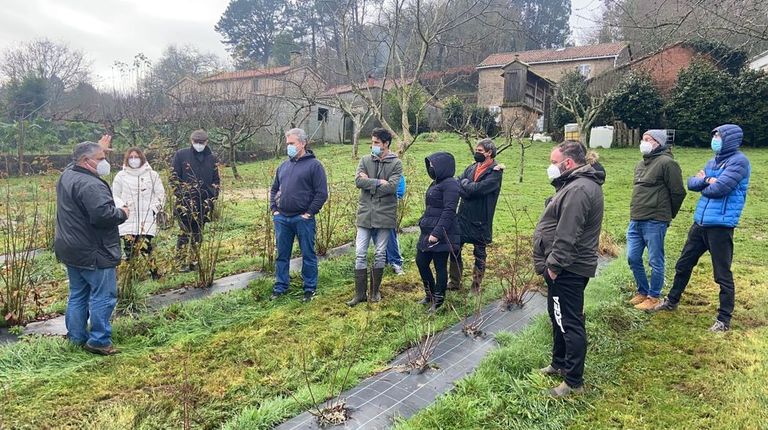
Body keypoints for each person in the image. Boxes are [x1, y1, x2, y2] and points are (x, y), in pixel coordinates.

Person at [652, 124, 751, 332]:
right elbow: (691, 183)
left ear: (730, 139)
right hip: (700, 222)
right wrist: (707, 179)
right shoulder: (713, 161)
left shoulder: (740, 162)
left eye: (718, 136)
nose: (715, 139)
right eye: (714, 135)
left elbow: (719, 189)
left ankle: (724, 319)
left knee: (721, 273)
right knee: (683, 264)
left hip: (721, 226)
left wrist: (705, 182)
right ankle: (671, 300)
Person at [533, 141, 604, 397]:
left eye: (554, 163)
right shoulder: (573, 185)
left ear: (568, 163)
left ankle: (573, 382)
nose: (551, 167)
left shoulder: (579, 190)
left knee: (569, 322)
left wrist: (553, 265)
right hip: (564, 266)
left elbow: (568, 233)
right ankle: (559, 362)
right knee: (557, 316)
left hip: (568, 268)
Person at [55, 137, 129, 355]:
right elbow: (102, 215)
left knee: (78, 293)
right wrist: (122, 213)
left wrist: (98, 148)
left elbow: (76, 160)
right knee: (103, 296)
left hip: (71, 247)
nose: (105, 162)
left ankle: (76, 337)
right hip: (94, 250)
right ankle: (99, 340)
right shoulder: (91, 184)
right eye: (101, 158)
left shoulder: (68, 175)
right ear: (87, 161)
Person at [626, 130, 686, 310]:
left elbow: (678, 192)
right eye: (643, 139)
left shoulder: (668, 163)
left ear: (658, 143)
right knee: (633, 257)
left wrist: (667, 215)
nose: (643, 142)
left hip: (655, 220)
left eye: (648, 139)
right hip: (636, 219)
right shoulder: (640, 164)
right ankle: (643, 291)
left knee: (655, 260)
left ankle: (654, 296)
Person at [270, 128, 328, 302]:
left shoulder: (314, 166)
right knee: (282, 254)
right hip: (282, 219)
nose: (288, 147)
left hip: (302, 219)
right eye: (287, 144)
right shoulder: (283, 166)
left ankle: (309, 288)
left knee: (308, 254)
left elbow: (321, 193)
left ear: (303, 143)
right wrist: (274, 209)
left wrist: (309, 213)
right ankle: (280, 286)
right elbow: (274, 189)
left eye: (292, 143)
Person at [347, 128, 403, 306]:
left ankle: (374, 292)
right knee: (360, 253)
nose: (373, 146)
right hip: (365, 214)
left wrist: (369, 183)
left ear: (386, 144)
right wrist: (378, 182)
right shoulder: (365, 160)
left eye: (376, 143)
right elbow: (358, 182)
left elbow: (392, 188)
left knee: (380, 253)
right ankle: (359, 294)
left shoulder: (396, 164)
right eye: (372, 142)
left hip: (385, 214)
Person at [448, 138, 503, 293]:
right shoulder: (472, 167)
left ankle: (476, 285)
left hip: (481, 219)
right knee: (454, 249)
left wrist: (466, 186)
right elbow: (458, 182)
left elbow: (479, 189)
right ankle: (454, 283)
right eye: (476, 150)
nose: (476, 153)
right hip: (463, 217)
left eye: (480, 151)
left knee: (479, 253)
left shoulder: (495, 172)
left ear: (489, 153)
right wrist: (468, 187)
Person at [170, 129, 220, 272]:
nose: (199, 145)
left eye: (201, 142)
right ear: (191, 141)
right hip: (184, 203)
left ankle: (194, 261)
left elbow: (216, 180)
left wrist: (212, 196)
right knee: (184, 233)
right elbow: (174, 178)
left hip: (204, 203)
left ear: (206, 142)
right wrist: (181, 196)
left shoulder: (212, 158)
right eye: (196, 142)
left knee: (198, 234)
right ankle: (180, 262)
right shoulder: (181, 155)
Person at [415, 152, 460, 313]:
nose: (430, 168)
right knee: (421, 261)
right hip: (428, 230)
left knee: (440, 265)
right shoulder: (436, 183)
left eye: (433, 165)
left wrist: (437, 233)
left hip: (442, 232)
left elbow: (449, 211)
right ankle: (430, 294)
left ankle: (439, 299)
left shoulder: (451, 185)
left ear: (443, 166)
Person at [112, 147, 166, 279]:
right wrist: (122, 207)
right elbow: (114, 194)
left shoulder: (152, 175)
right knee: (129, 249)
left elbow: (160, 194)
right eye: (131, 157)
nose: (134, 160)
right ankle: (131, 276)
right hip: (127, 218)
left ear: (142, 158)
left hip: (145, 218)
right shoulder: (121, 176)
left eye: (136, 157)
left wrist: (154, 208)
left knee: (146, 247)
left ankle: (154, 273)